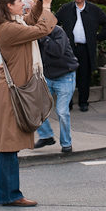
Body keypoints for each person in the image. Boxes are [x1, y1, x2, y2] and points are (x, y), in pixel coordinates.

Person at [0, 0, 56, 207]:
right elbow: (42, 29)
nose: (23, 5)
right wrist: (46, 7)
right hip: (12, 92)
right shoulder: (9, 29)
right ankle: (11, 195)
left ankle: (0, 193)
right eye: (20, 2)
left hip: (11, 89)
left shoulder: (13, 23)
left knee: (5, 144)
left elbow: (31, 20)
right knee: (9, 144)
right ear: (9, 6)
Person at [55, 0, 106, 112]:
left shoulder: (94, 9)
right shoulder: (66, 8)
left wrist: (97, 38)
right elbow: (54, 22)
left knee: (84, 76)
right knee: (68, 75)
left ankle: (83, 102)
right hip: (69, 49)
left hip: (86, 48)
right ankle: (68, 103)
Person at [34, 25, 78, 153]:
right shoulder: (32, 33)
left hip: (65, 75)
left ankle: (66, 143)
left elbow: (57, 50)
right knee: (37, 107)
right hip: (47, 76)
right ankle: (46, 135)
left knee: (62, 111)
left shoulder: (57, 31)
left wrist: (42, 36)